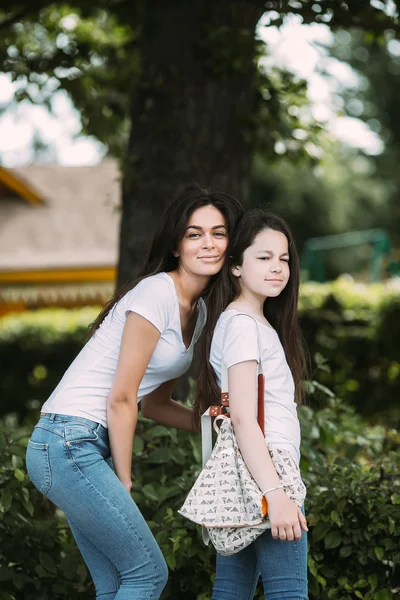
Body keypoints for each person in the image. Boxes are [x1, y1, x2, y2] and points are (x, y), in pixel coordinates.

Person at [25, 184, 243, 600]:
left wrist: (217, 422)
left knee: (116, 585)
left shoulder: (197, 314)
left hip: (80, 446)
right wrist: (123, 480)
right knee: (147, 574)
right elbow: (121, 399)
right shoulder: (156, 293)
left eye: (219, 233)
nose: (208, 243)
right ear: (177, 245)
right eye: (195, 233)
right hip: (68, 441)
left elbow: (155, 404)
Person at [195, 208, 309, 600]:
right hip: (266, 468)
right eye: (263, 257)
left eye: (284, 259)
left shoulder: (249, 322)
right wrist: (276, 495)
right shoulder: (243, 324)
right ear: (236, 267)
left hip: (249, 471)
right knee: (289, 592)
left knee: (231, 590)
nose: (277, 268)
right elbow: (243, 416)